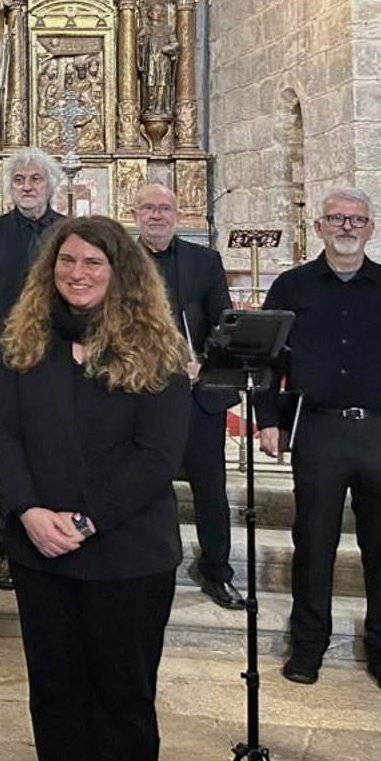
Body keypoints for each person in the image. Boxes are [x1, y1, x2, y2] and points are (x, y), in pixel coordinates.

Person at [0, 215, 190, 761]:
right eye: (68, 260)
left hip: (128, 553)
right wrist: (28, 511)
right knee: (55, 694)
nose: (78, 273)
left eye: (93, 262)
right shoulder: (26, 342)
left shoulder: (156, 348)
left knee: (123, 699)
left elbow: (156, 455)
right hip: (40, 552)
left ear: (120, 271)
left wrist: (87, 520)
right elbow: (3, 432)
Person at [256, 188, 381, 696]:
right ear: (319, 227)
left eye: (357, 219)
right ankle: (309, 645)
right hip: (318, 429)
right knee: (314, 542)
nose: (347, 227)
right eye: (336, 218)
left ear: (371, 228)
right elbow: (268, 360)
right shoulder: (291, 287)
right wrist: (268, 420)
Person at [131, 182, 243, 609]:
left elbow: (224, 323)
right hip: (139, 395)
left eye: (164, 208)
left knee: (210, 488)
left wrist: (204, 364)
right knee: (142, 484)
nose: (157, 215)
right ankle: (145, 564)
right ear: (135, 215)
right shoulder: (120, 261)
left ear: (177, 215)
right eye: (148, 208)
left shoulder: (204, 260)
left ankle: (217, 571)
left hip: (196, 394)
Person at [0, 147, 66, 590]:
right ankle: (9, 547)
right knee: (10, 451)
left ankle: (55, 532)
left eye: (35, 179)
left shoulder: (69, 231)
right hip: (4, 356)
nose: (27, 187)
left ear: (50, 185)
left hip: (58, 354)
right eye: (19, 180)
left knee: (54, 447)